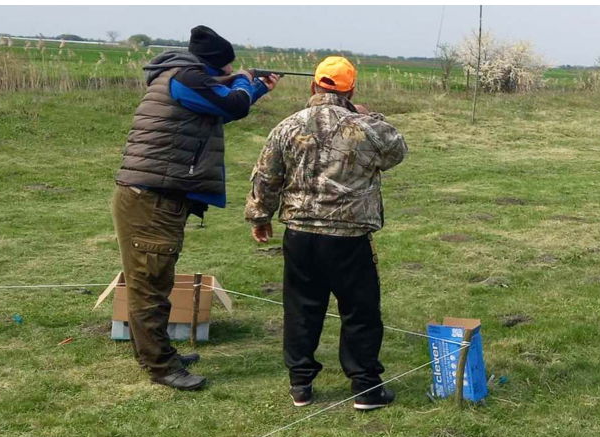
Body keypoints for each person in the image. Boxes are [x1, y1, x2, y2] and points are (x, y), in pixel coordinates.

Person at [112, 25, 280, 390]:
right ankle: (161, 367)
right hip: (152, 198)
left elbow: (221, 105)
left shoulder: (182, 78)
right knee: (150, 284)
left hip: (153, 195)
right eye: (226, 68)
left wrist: (254, 88)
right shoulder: (186, 78)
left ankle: (156, 354)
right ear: (213, 65)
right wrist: (246, 83)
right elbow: (231, 104)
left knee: (153, 279)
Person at [245, 56, 408, 410]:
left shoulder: (287, 127)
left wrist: (259, 216)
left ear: (313, 86)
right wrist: (370, 116)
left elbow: (266, 175)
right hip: (349, 237)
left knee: (302, 308)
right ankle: (365, 387)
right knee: (360, 310)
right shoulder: (364, 127)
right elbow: (397, 150)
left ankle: (300, 384)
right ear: (351, 89)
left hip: (300, 234)